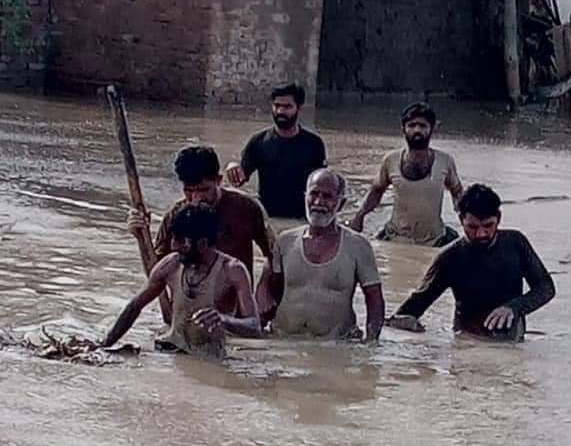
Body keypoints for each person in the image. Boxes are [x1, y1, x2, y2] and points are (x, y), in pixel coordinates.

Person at [388, 184, 555, 340]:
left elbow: (546, 287)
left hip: (512, 341)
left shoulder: (516, 243)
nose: (481, 234)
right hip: (467, 342)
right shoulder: (450, 258)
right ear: (461, 220)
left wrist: (514, 307)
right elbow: (415, 306)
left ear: (498, 218)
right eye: (472, 227)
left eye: (488, 225)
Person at [105, 203, 261, 359]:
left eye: (181, 241)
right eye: (174, 238)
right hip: (167, 351)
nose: (174, 246)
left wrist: (223, 320)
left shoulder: (233, 270)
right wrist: (104, 344)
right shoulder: (171, 264)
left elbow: (254, 327)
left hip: (208, 359)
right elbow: (135, 306)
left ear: (203, 243)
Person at [260, 169, 384, 341]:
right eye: (314, 194)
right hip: (283, 339)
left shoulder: (358, 246)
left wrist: (371, 345)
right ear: (305, 197)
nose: (318, 202)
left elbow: (374, 301)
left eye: (328, 196)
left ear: (341, 204)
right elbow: (270, 292)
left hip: (336, 344)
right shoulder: (285, 242)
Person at [128, 145, 273, 283]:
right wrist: (141, 236)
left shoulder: (246, 208)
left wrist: (264, 287)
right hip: (190, 302)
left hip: (235, 302)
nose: (196, 199)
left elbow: (274, 255)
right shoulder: (176, 216)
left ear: (218, 180)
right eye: (189, 191)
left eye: (203, 190)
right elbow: (156, 273)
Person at [349, 101, 463, 246]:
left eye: (422, 126)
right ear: (403, 129)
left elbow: (457, 192)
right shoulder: (391, 160)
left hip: (435, 239)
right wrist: (359, 217)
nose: (417, 130)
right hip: (395, 237)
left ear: (432, 128)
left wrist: (466, 220)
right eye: (411, 125)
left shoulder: (445, 161)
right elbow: (376, 191)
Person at [225, 82, 327, 219]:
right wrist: (233, 167)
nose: (280, 112)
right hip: (269, 218)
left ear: (299, 108)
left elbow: (321, 185)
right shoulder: (259, 141)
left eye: (287, 107)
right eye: (277, 106)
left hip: (301, 219)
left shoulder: (314, 144)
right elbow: (240, 179)